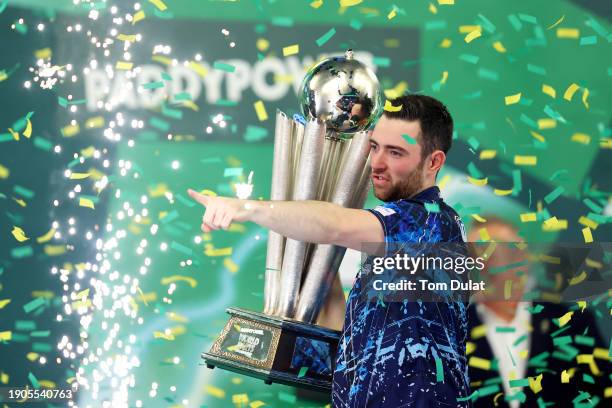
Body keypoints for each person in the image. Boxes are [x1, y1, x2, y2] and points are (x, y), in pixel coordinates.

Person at [188, 94, 471, 407]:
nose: (376, 163)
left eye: (395, 152)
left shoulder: (432, 223)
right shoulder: (400, 244)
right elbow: (347, 338)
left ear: (434, 162)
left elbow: (336, 225)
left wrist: (247, 208)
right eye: (375, 147)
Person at [466, 217, 609, 407]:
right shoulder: (448, 334)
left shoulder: (573, 325)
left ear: (522, 260)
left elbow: (602, 394)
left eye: (489, 254)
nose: (479, 267)